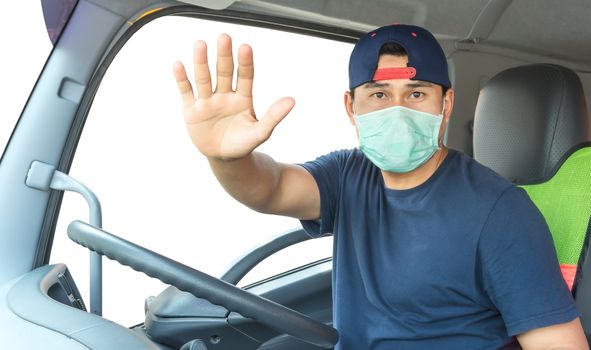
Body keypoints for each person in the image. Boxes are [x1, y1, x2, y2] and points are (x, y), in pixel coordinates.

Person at [173, 24, 588, 349]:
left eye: (416, 93)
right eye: (378, 95)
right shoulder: (348, 174)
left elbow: (557, 342)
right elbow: (271, 188)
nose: (398, 111)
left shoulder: (500, 211)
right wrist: (229, 158)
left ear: (445, 105)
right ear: (351, 107)